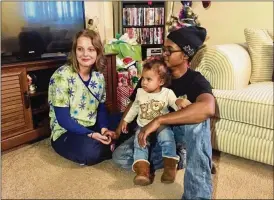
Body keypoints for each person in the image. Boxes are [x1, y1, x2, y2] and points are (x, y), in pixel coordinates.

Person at [112, 26, 215, 199]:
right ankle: (178, 158)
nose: (163, 53)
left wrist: (160, 120)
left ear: (185, 55)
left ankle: (197, 194)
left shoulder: (195, 80)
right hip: (153, 134)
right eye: (163, 49)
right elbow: (134, 103)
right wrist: (117, 131)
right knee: (120, 157)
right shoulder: (152, 75)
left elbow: (208, 108)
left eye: (169, 50)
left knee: (198, 120)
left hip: (178, 134)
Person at [48, 29, 116, 166]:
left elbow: (101, 108)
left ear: (97, 52)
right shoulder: (61, 76)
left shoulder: (99, 77)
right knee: (91, 152)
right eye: (80, 49)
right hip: (67, 132)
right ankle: (112, 146)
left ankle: (109, 143)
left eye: (91, 49)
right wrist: (91, 135)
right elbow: (63, 120)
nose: (85, 54)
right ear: (74, 51)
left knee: (125, 120)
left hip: (92, 125)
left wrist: (104, 129)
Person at [120, 57, 191, 186]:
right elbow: (135, 107)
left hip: (161, 126)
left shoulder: (167, 93)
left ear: (161, 81)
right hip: (143, 126)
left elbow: (175, 103)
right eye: (143, 79)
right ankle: (143, 172)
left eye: (149, 79)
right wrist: (126, 120)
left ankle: (170, 167)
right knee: (140, 143)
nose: (144, 82)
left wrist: (179, 101)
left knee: (167, 139)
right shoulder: (140, 92)